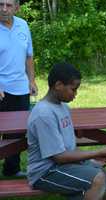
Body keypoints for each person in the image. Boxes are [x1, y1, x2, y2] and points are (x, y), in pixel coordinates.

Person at [27, 62, 106, 200]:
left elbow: (69, 148)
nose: (76, 94)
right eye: (73, 89)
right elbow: (59, 157)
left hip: (65, 165)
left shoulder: (63, 108)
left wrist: (91, 160)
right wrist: (99, 151)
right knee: (97, 179)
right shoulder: (43, 114)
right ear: (58, 85)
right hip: (45, 173)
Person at [0, 0, 37, 176]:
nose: (4, 9)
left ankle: (11, 169)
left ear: (17, 8)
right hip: (1, 89)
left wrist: (32, 81)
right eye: (0, 4)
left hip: (21, 88)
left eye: (8, 5)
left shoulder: (23, 25)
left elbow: (29, 56)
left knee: (17, 132)